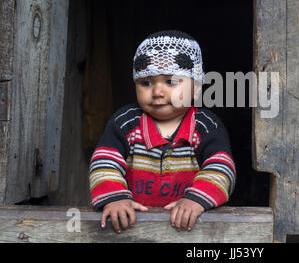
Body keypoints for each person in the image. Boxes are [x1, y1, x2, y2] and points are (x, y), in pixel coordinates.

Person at [89, 30, 236, 233]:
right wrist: (115, 198)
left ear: (196, 88)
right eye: (146, 83)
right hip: (131, 229)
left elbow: (222, 167)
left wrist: (196, 199)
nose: (157, 92)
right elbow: (104, 161)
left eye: (171, 81)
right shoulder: (126, 122)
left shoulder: (205, 126)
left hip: (190, 231)